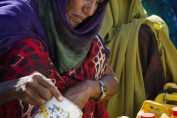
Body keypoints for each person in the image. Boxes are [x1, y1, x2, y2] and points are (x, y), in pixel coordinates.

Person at [0, 0, 119, 117]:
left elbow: (111, 80)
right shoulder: (13, 21)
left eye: (98, 2)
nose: (90, 11)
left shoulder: (86, 38)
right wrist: (13, 88)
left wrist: (88, 88)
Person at [99, 0, 177, 117]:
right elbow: (95, 43)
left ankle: (157, 107)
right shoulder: (90, 7)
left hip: (132, 56)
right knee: (144, 34)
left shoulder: (134, 5)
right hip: (104, 64)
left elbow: (140, 18)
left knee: (152, 28)